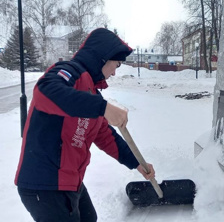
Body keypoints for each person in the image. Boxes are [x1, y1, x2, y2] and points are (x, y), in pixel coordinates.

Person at [14, 28, 155, 222]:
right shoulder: (68, 72)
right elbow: (45, 90)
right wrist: (103, 108)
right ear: (102, 58)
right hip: (45, 184)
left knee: (90, 218)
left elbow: (105, 135)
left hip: (70, 181)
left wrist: (137, 162)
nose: (114, 72)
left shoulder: (92, 94)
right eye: (116, 64)